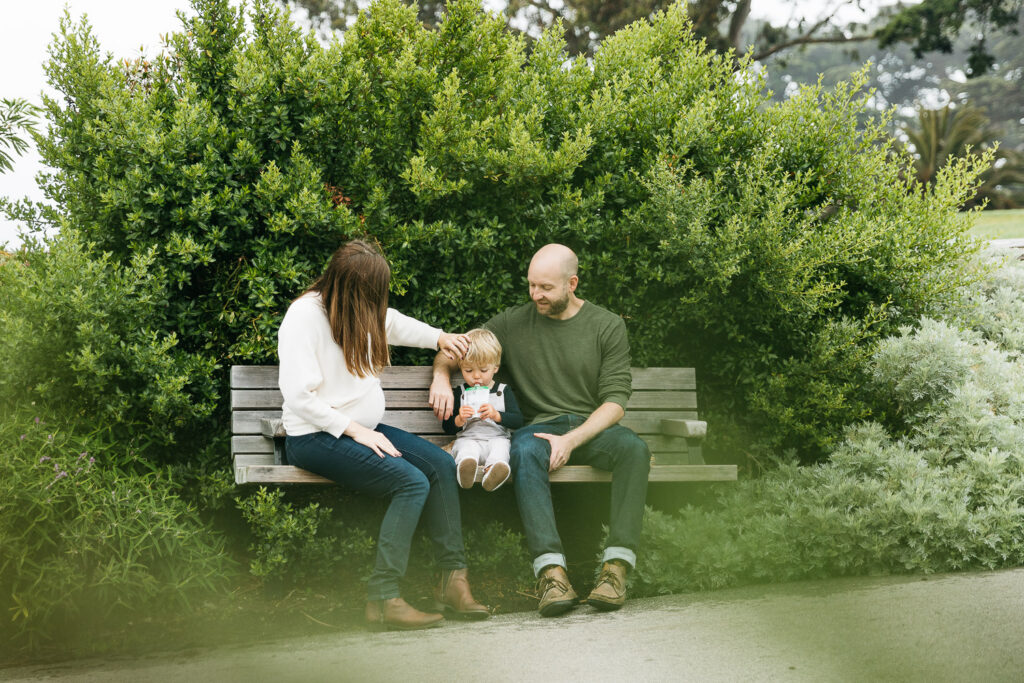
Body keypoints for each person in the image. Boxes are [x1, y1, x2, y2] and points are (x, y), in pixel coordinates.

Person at [278, 239, 489, 630]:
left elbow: (390, 321)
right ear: (350, 289)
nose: (378, 306)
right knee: (410, 483)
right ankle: (383, 597)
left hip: (362, 430)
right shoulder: (303, 318)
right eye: (373, 297)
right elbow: (298, 397)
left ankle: (453, 581)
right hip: (315, 437)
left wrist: (439, 337)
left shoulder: (356, 308)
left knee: (441, 465)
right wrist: (355, 430)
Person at [429, 244, 650, 617]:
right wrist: (439, 376)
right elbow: (457, 348)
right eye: (531, 285)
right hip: (537, 430)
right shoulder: (513, 323)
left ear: (572, 283)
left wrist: (571, 439)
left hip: (590, 429)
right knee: (524, 452)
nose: (536, 295)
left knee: (635, 450)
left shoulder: (607, 325)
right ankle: (551, 575)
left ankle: (615, 570)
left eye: (545, 287)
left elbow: (615, 401)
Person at [441, 328, 524, 492]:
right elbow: (447, 426)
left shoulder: (503, 390)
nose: (476, 376)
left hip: (496, 438)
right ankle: (466, 467)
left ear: (496, 367)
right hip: (470, 438)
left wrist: (497, 415)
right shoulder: (461, 392)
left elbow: (518, 420)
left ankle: (495, 470)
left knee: (502, 447)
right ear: (460, 366)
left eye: (483, 370)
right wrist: (459, 419)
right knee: (466, 447)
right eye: (468, 370)